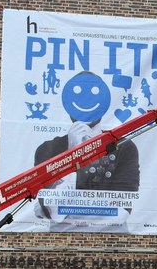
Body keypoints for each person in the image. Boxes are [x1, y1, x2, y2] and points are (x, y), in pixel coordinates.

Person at [33, 71, 140, 232]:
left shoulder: (124, 147)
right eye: (78, 94)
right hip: (60, 242)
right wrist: (72, 152)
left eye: (93, 94)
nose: (85, 102)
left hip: (112, 242)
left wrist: (67, 212)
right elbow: (48, 210)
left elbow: (121, 213)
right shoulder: (48, 148)